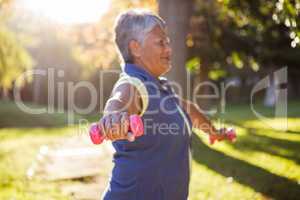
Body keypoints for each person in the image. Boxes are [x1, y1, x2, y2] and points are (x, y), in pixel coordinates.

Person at [100, 9, 226, 200]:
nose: (169, 49)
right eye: (161, 43)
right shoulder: (133, 83)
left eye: (168, 42)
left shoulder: (159, 85)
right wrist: (113, 117)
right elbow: (118, 101)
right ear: (136, 48)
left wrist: (213, 131)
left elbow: (187, 109)